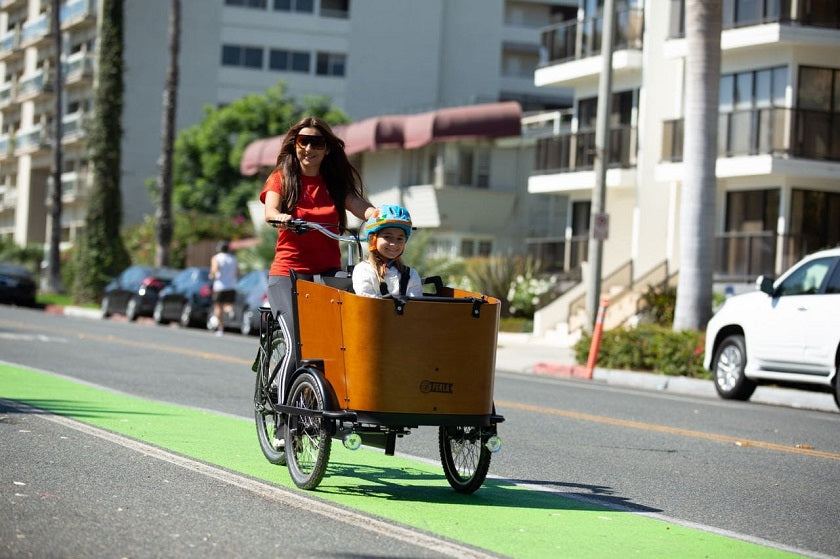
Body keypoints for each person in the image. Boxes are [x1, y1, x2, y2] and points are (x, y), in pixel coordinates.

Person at [260, 116, 376, 409]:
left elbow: (360, 206)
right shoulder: (282, 177)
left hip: (326, 272)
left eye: (317, 142)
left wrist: (378, 214)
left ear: (327, 149)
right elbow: (271, 210)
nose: (309, 148)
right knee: (297, 344)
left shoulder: (334, 183)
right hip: (288, 273)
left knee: (337, 340)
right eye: (304, 141)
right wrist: (283, 218)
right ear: (295, 145)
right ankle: (284, 409)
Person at [353, 204, 423, 298]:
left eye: (399, 238)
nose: (394, 244)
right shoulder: (363, 271)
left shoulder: (411, 275)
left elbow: (416, 308)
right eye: (387, 237)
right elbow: (368, 306)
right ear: (373, 239)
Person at [209, 240, 238, 336]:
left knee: (218, 307)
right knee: (228, 305)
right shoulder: (233, 259)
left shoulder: (216, 258)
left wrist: (211, 275)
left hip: (220, 286)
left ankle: (220, 328)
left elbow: (215, 270)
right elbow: (237, 272)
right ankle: (230, 311)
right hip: (231, 286)